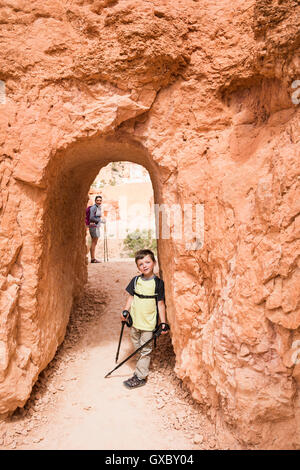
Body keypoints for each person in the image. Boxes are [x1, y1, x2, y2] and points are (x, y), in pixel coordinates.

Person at [121, 249, 169, 389]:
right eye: (141, 264)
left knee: (145, 349)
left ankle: (140, 376)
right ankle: (142, 363)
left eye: (147, 262)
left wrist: (163, 323)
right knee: (137, 346)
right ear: (138, 267)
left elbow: (160, 304)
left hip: (148, 323)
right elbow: (131, 297)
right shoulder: (135, 280)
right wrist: (125, 310)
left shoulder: (158, 283)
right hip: (135, 321)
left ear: (154, 263)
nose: (144, 265)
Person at [89, 195, 106, 263]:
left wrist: (101, 221)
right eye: (97, 200)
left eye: (100, 200)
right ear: (95, 201)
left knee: (94, 242)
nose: (99, 202)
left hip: (96, 226)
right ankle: (93, 259)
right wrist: (100, 220)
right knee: (94, 242)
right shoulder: (94, 208)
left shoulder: (98, 207)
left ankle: (93, 258)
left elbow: (96, 217)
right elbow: (91, 218)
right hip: (94, 226)